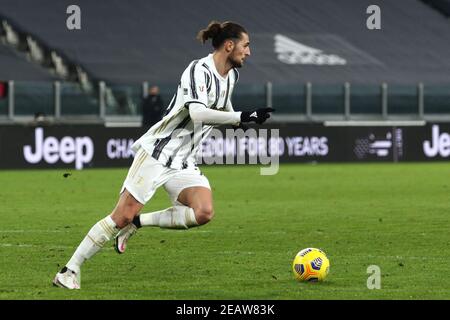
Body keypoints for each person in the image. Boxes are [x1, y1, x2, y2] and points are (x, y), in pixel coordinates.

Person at [53, 20, 274, 290]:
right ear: (229, 45)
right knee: (119, 216)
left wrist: (246, 120)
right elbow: (198, 113)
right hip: (159, 152)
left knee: (203, 212)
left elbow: (223, 109)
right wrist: (241, 116)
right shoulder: (198, 70)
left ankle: (139, 222)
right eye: (246, 45)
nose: (248, 52)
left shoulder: (232, 76)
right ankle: (69, 270)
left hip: (183, 160)